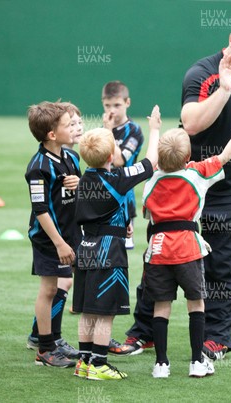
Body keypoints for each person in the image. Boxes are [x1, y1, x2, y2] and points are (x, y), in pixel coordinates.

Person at [120, 11, 231, 361]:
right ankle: (144, 332)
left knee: (222, 264)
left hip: (229, 186)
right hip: (183, 183)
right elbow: (191, 124)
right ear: (230, 40)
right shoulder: (200, 73)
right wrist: (226, 89)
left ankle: (216, 337)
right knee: (159, 257)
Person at [144, 106, 231, 378]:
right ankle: (197, 361)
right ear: (188, 156)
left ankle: (161, 364)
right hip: (187, 248)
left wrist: (154, 130)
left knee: (161, 306)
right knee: (196, 303)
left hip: (158, 250)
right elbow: (226, 156)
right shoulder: (196, 173)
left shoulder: (150, 179)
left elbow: (150, 174)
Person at [72, 106, 161, 381]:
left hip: (85, 249)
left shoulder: (82, 179)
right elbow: (150, 164)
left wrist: (120, 221)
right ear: (113, 156)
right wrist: (155, 129)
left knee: (88, 310)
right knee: (105, 313)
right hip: (109, 252)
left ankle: (84, 361)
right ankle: (99, 364)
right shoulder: (118, 179)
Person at [25, 101, 82, 367]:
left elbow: (79, 195)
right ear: (51, 134)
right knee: (49, 289)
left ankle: (55, 339)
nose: (74, 128)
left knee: (64, 284)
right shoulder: (38, 167)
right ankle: (44, 348)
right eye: (68, 125)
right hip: (49, 240)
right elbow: (40, 209)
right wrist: (59, 243)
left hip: (70, 235)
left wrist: (79, 184)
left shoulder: (71, 157)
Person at [102, 81, 144, 251]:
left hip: (124, 198)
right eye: (107, 105)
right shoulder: (102, 129)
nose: (112, 110)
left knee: (120, 250)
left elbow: (119, 161)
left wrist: (108, 132)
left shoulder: (134, 131)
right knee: (102, 247)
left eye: (117, 105)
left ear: (127, 103)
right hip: (101, 196)